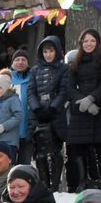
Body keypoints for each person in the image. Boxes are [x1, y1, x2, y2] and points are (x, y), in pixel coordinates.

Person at [65, 30, 101, 193]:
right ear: (81, 44)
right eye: (85, 41)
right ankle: (82, 182)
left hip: (98, 108)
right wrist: (83, 101)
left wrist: (92, 99)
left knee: (100, 148)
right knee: (79, 147)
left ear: (98, 42)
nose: (88, 44)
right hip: (80, 109)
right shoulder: (75, 63)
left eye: (92, 40)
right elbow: (70, 87)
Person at [28, 37, 69, 191]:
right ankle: (44, 184)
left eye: (51, 51)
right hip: (38, 116)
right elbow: (31, 92)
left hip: (55, 115)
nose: (48, 54)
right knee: (39, 154)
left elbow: (64, 91)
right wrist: (37, 109)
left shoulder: (64, 69)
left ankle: (55, 185)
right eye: (45, 51)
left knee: (55, 153)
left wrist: (52, 108)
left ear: (57, 51)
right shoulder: (34, 70)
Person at [0, 73, 25, 153]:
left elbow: (19, 116)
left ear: (7, 88)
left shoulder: (13, 99)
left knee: (8, 164)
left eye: (0, 88)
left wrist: (4, 126)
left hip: (9, 142)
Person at [9, 48, 35, 164]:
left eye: (23, 59)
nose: (20, 62)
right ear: (12, 63)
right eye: (17, 60)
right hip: (10, 132)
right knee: (10, 165)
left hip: (28, 129)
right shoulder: (6, 79)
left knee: (24, 165)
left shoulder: (33, 78)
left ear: (28, 63)